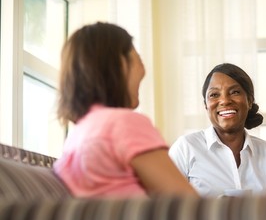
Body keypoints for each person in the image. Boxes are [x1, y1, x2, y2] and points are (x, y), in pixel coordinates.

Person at [54, 22, 198, 198]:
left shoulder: (78, 134)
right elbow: (188, 203)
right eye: (138, 57)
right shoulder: (122, 123)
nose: (143, 70)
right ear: (120, 64)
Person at [169, 63, 266, 197]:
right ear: (206, 105)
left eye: (235, 92)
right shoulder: (185, 148)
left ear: (249, 101)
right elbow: (167, 210)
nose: (225, 101)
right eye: (214, 95)